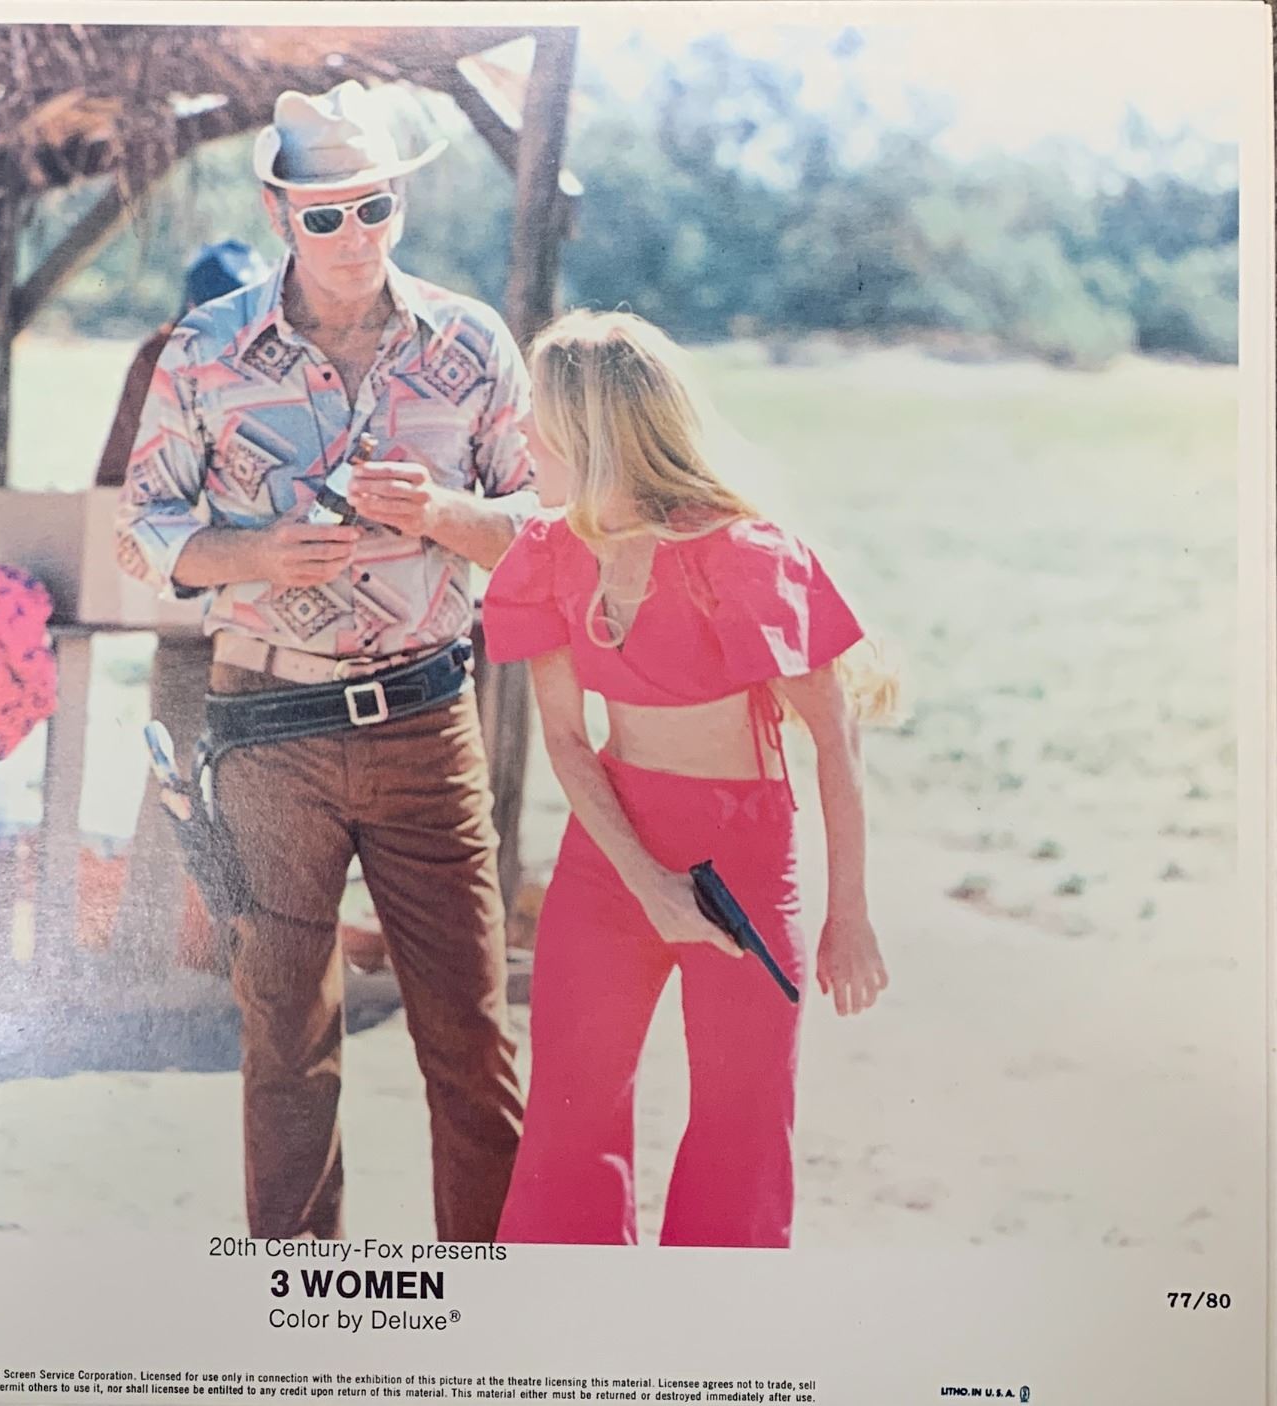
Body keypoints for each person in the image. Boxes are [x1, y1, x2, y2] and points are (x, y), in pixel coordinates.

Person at [115, 80, 536, 1241]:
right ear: (277, 211)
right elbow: (144, 530)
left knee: (473, 1038)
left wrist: (444, 512)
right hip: (266, 725)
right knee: (285, 1039)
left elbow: (542, 525)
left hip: (426, 725)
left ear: (402, 198)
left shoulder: (474, 342)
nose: (355, 235)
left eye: (375, 206)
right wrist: (253, 552)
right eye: (326, 214)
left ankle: (486, 1306)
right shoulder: (206, 347)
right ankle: (295, 1309)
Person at [484, 310, 892, 1249]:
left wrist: (849, 915)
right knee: (570, 1122)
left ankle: (713, 1327)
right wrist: (648, 882)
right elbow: (568, 742)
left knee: (741, 1132)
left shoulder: (745, 557)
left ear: (594, 431)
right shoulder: (548, 553)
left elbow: (835, 738)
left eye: (537, 411)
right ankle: (568, 1325)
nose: (520, 430)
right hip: (610, 849)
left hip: (743, 860)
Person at [99, 241, 272, 975]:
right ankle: (148, 952)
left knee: (256, 786)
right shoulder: (162, 358)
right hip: (197, 609)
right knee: (174, 775)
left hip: (268, 615)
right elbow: (116, 485)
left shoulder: (284, 352)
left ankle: (234, 958)